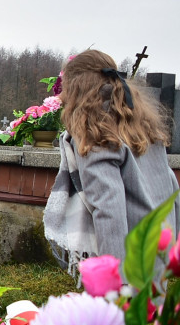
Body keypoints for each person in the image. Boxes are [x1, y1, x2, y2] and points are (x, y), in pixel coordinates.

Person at [45, 50, 180, 269]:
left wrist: (114, 278)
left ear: (76, 87)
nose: (62, 96)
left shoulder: (95, 133)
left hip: (131, 261)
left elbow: (109, 210)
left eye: (65, 87)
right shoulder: (142, 125)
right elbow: (171, 186)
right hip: (161, 249)